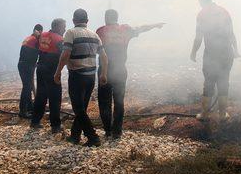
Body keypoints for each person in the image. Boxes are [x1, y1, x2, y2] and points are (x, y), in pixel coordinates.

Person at [96, 10, 164, 138]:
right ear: (117, 18)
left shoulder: (100, 31)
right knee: (119, 101)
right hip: (120, 70)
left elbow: (94, 48)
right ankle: (117, 131)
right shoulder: (125, 29)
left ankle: (107, 130)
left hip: (104, 70)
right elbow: (142, 28)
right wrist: (155, 25)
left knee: (104, 102)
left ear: (106, 18)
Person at [54, 9, 108, 147]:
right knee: (82, 107)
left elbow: (65, 54)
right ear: (87, 21)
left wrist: (58, 71)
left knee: (78, 109)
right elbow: (104, 57)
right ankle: (75, 136)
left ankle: (93, 137)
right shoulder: (95, 35)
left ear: (73, 21)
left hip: (77, 76)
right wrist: (103, 74)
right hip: (91, 77)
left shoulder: (71, 33)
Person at [190, 0, 238, 121]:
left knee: (209, 83)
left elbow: (198, 38)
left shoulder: (202, 15)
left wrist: (193, 52)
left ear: (201, 0)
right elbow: (232, 34)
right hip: (227, 54)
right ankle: (222, 115)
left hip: (211, 55)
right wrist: (237, 51)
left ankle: (205, 114)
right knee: (223, 83)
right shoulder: (224, 12)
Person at [30, 18, 66, 133]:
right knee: (55, 98)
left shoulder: (43, 35)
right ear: (58, 27)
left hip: (40, 68)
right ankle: (55, 125)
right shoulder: (60, 39)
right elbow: (64, 55)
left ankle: (35, 121)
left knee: (41, 95)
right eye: (63, 27)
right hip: (52, 71)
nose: (65, 29)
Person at [17, 24, 43, 118]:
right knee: (27, 87)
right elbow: (41, 51)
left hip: (23, 65)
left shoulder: (28, 38)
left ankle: (29, 108)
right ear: (38, 31)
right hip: (26, 66)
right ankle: (23, 111)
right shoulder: (35, 40)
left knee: (28, 86)